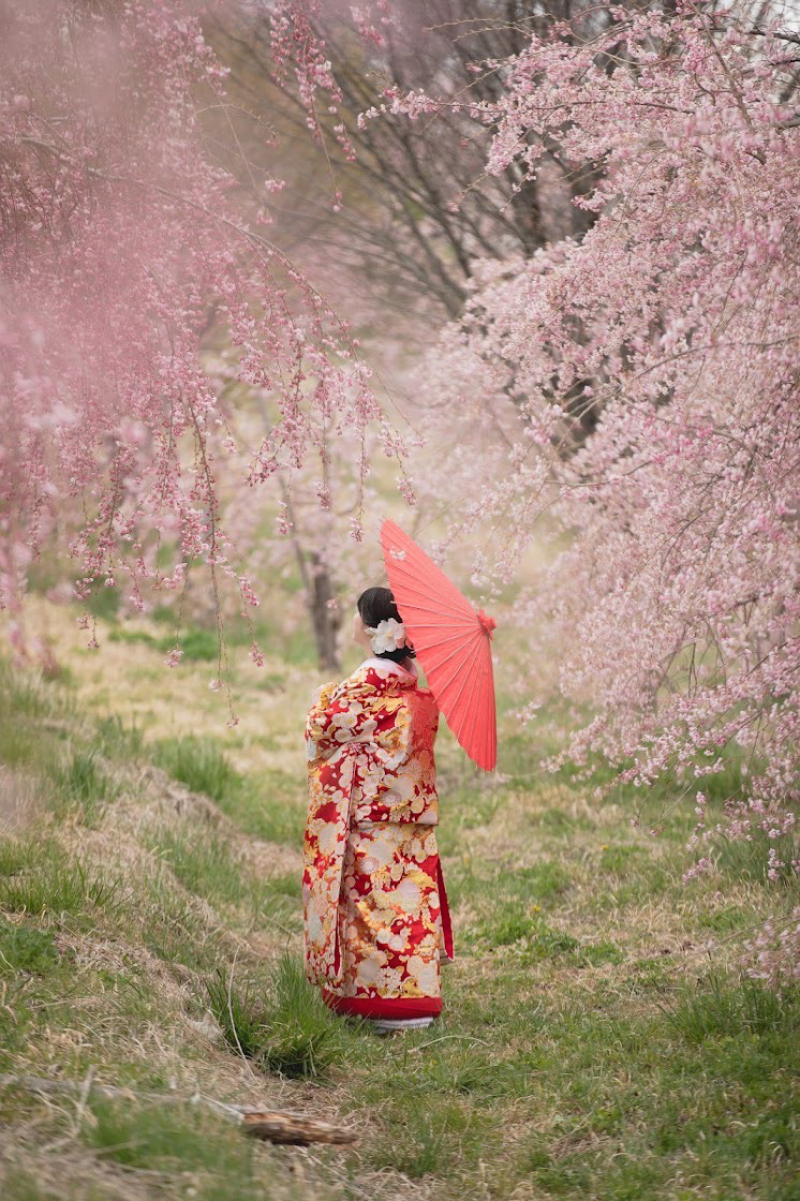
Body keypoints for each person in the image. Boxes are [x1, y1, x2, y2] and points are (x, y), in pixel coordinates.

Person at [302, 586, 453, 1033]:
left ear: (372, 628)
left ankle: (374, 1006)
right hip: (409, 818)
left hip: (366, 817)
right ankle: (416, 1003)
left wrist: (322, 698)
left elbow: (321, 728)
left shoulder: (363, 687)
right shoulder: (413, 692)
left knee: (367, 905)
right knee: (408, 905)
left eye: (355, 613)